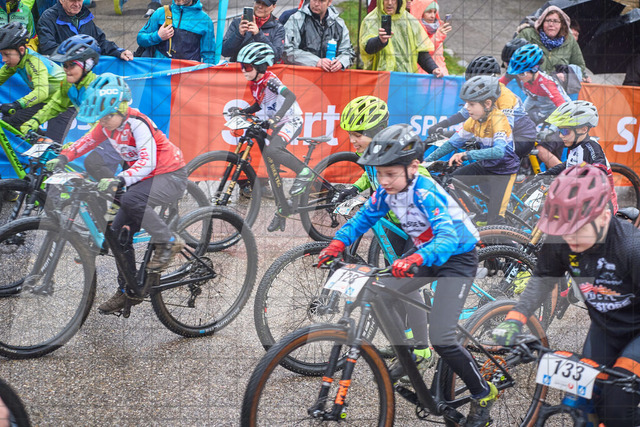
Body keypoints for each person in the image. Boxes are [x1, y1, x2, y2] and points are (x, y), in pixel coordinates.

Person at [318, 124, 498, 427]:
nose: (384, 181)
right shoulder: (388, 191)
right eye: (379, 174)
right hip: (427, 251)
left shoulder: (425, 192)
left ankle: (483, 393)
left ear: (413, 167)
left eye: (390, 174)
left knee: (442, 338)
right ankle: (412, 352)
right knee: (381, 291)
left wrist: (415, 257)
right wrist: (337, 243)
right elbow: (363, 218)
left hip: (456, 256)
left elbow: (447, 238)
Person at [492, 163, 640, 427]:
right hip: (604, 329)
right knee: (585, 400)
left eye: (578, 229)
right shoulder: (562, 238)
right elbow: (542, 279)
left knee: (617, 408)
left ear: (604, 217)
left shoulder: (631, 247)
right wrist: (516, 318)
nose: (569, 237)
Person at [45, 73, 188, 314]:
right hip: (144, 178)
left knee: (130, 199)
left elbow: (148, 163)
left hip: (170, 175)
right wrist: (64, 157)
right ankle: (128, 290)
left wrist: (119, 179)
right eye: (100, 118)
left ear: (121, 108)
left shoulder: (137, 123)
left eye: (107, 116)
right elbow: (86, 142)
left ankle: (168, 241)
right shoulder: (108, 124)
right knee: (117, 234)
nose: (103, 122)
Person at [425, 76, 519, 226]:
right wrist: (426, 162)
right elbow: (451, 144)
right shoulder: (473, 120)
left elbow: (499, 152)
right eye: (466, 103)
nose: (467, 108)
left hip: (503, 171)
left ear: (487, 104)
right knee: (450, 181)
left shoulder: (498, 119)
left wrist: (466, 154)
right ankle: (478, 215)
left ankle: (505, 238)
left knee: (495, 221)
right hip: (486, 165)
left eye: (471, 104)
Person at [231, 42, 305, 232]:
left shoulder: (271, 80)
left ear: (260, 66)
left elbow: (290, 96)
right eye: (242, 66)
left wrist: (277, 117)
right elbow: (259, 104)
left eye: (247, 67)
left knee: (273, 150)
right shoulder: (255, 83)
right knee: (271, 167)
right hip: (278, 123)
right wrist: (244, 111)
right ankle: (282, 209)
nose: (243, 70)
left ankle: (304, 172)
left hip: (292, 120)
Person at [429, 55, 536, 158]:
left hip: (521, 137)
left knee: (487, 159)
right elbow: (463, 114)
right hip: (498, 132)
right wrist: (440, 125)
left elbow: (505, 129)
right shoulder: (483, 92)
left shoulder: (504, 96)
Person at [532, 100, 618, 212]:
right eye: (559, 131)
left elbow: (599, 171)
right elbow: (568, 165)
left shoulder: (591, 147)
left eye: (565, 131)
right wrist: (546, 174)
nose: (561, 135)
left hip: (602, 204)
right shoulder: (574, 146)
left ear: (583, 129)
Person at [19, 34, 100, 144]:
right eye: (65, 65)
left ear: (87, 65)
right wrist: (33, 122)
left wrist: (73, 147)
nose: (66, 69)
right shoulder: (68, 83)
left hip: (116, 136)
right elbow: (55, 105)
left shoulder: (96, 89)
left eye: (72, 65)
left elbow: (101, 126)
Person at [0, 23, 73, 142]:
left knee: (51, 144)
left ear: (21, 50)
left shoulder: (35, 62)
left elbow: (41, 92)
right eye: (2, 54)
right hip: (47, 98)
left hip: (64, 101)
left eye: (7, 54)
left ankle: (48, 148)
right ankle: (41, 143)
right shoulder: (17, 60)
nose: (3, 59)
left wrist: (16, 104)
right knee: (12, 121)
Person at [501, 43, 571, 169]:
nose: (519, 77)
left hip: (565, 116)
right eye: (517, 74)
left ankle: (565, 176)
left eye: (522, 74)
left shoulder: (546, 83)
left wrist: (551, 130)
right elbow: (499, 85)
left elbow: (563, 109)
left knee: (542, 150)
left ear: (534, 69)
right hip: (543, 112)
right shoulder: (524, 75)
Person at [359, 0, 442, 76]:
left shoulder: (411, 21)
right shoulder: (371, 20)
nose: (390, 3)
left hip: (405, 79)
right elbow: (367, 49)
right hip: (380, 79)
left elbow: (421, 52)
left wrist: (433, 68)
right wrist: (380, 41)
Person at [37, 0, 133, 60]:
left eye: (79, 0)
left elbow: (100, 41)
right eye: (72, 1)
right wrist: (77, 56)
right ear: (61, 0)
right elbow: (48, 48)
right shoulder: (48, 18)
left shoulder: (85, 15)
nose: (77, 4)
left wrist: (119, 51)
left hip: (84, 70)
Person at [517, 5, 590, 83]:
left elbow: (579, 66)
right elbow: (513, 59)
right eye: (548, 20)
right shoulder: (527, 34)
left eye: (555, 21)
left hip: (558, 87)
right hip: (529, 85)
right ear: (542, 22)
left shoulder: (570, 40)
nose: (551, 24)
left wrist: (565, 76)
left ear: (562, 24)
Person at [282, 0, 354, 72]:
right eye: (314, 0)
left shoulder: (339, 23)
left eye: (321, 1)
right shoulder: (296, 19)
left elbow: (348, 52)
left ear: (329, 2)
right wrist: (316, 62)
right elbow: (287, 51)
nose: (316, 4)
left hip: (330, 76)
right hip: (301, 75)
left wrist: (341, 62)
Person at [136, 0, 215, 63]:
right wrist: (157, 36)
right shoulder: (161, 12)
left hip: (188, 75)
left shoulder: (205, 21)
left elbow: (209, 56)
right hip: (160, 74)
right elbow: (140, 39)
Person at [409, 0, 450, 75]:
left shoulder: (436, 29)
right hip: (422, 76)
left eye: (434, 12)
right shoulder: (413, 30)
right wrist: (438, 36)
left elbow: (440, 59)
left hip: (439, 75)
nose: (433, 16)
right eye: (429, 12)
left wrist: (445, 74)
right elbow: (424, 53)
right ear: (420, 13)